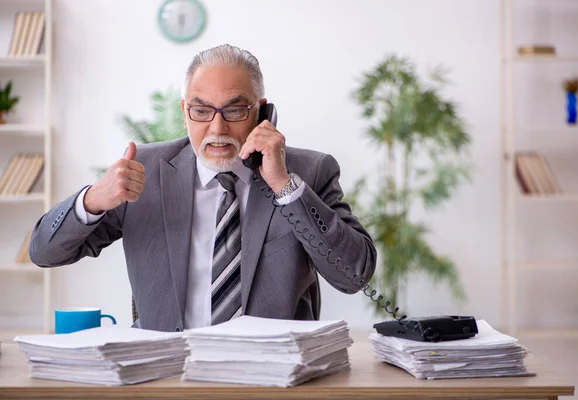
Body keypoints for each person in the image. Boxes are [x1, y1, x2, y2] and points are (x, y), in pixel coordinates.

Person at [28, 44, 377, 332]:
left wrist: (285, 186)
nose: (217, 127)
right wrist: (93, 199)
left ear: (262, 111)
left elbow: (354, 275)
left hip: (274, 375)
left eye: (236, 110)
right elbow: (44, 252)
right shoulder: (147, 171)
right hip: (166, 373)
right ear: (184, 112)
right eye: (201, 110)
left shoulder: (308, 172)